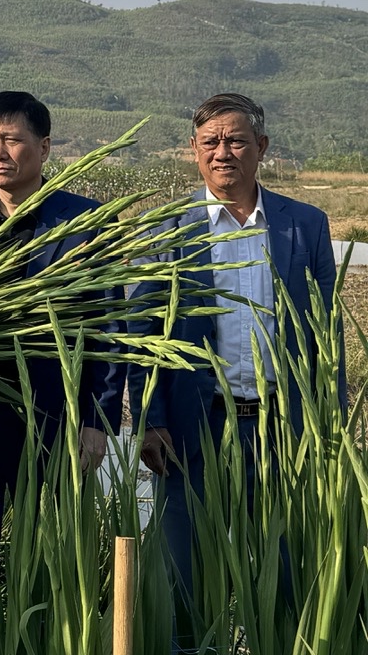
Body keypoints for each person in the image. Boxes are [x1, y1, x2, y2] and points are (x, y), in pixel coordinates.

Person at [128, 92, 338, 649]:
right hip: (194, 427)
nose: (224, 151)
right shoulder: (167, 228)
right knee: (183, 572)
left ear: (261, 148)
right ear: (194, 152)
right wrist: (148, 419)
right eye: (211, 141)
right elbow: (143, 333)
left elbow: (326, 332)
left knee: (287, 565)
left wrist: (330, 422)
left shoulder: (305, 225)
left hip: (280, 427)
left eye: (237, 139)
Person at [0, 91, 122, 655]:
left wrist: (96, 420)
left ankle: (43, 644)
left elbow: (109, 325)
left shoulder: (83, 223)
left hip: (56, 413)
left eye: (12, 139)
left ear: (43, 146)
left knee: (53, 547)